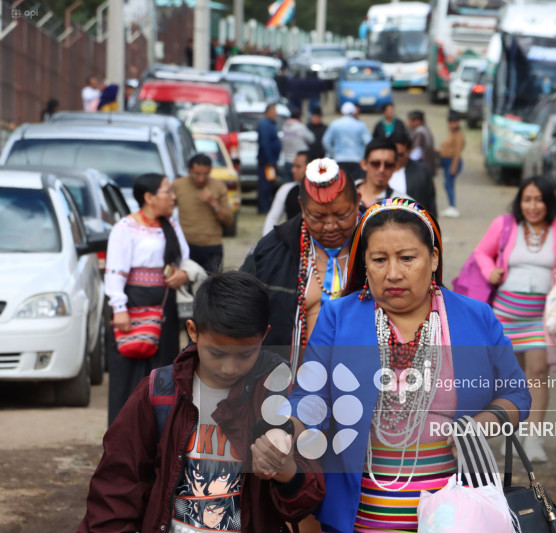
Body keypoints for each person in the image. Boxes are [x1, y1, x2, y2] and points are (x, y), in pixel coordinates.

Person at [253, 198, 531, 532]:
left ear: (434, 258)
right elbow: (312, 397)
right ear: (364, 264)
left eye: (407, 258)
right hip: (361, 521)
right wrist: (284, 433)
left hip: (458, 518)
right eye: (379, 260)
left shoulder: (475, 317)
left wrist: (481, 424)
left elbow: (516, 394)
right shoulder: (338, 318)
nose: (393, 273)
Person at [77, 270, 326, 532]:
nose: (229, 368)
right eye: (216, 353)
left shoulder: (278, 397)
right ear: (193, 331)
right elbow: (116, 488)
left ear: (264, 336)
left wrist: (286, 472)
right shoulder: (159, 392)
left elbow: (309, 498)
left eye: (244, 355)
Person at [473, 175, 556, 462]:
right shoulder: (505, 225)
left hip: (540, 319)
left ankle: (534, 437)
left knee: (538, 373)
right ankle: (511, 433)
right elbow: (481, 253)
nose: (533, 206)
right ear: (519, 202)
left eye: (538, 200)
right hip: (504, 317)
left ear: (549, 202)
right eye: (527, 200)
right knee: (509, 378)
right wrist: (489, 272)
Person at [241, 158, 361, 366]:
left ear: (358, 201)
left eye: (342, 215)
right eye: (317, 217)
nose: (330, 226)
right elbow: (235, 314)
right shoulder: (271, 251)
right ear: (301, 207)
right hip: (289, 380)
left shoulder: (381, 244)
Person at [104, 173, 190, 425]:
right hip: (133, 306)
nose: (173, 197)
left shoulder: (171, 225)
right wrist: (119, 307)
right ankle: (124, 433)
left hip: (164, 308)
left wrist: (183, 274)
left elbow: (183, 260)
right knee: (128, 373)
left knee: (162, 372)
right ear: (149, 197)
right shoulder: (126, 227)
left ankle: (159, 435)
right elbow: (115, 270)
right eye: (167, 191)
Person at [173, 153, 234, 272]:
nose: (201, 179)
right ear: (190, 170)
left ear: (210, 170)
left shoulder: (218, 186)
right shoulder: (178, 185)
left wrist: (213, 203)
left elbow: (228, 221)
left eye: (206, 174)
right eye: (197, 174)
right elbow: (166, 209)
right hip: (186, 246)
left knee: (212, 282)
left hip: (212, 247)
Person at [392, 132, 438, 218]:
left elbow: (430, 201)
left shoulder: (422, 171)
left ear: (409, 151)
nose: (396, 158)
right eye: (394, 154)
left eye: (400, 155)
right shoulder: (382, 170)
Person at [322, 102, 371, 182]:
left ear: (342, 112)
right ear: (354, 112)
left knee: (341, 184)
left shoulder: (335, 124)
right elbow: (368, 142)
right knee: (356, 184)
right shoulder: (360, 125)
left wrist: (333, 153)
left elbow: (325, 141)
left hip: (339, 160)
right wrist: (363, 155)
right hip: (356, 160)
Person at [262, 151, 308, 236]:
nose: (293, 170)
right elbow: (273, 218)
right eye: (293, 166)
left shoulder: (322, 192)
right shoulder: (286, 189)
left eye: (298, 167)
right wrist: (266, 240)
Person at [356, 138, 409, 208]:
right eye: (375, 163)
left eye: (388, 164)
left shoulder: (404, 205)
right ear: (364, 164)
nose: (381, 169)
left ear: (395, 167)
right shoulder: (345, 192)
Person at [438, 112, 466, 218]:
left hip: (453, 161)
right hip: (446, 161)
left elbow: (457, 152)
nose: (451, 124)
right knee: (447, 184)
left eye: (453, 122)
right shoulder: (451, 134)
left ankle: (452, 206)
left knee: (448, 184)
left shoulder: (459, 135)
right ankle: (451, 205)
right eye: (449, 122)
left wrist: (454, 166)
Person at [257, 103, 282, 214]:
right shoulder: (265, 125)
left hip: (271, 160)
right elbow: (265, 144)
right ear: (267, 112)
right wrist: (269, 160)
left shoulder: (271, 124)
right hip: (267, 162)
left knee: (269, 183)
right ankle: (263, 207)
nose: (276, 113)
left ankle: (267, 205)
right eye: (274, 111)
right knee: (265, 185)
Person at [281, 107, 315, 180]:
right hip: (299, 162)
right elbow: (311, 139)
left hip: (287, 160)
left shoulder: (285, 127)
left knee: (288, 184)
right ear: (299, 117)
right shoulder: (300, 127)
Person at [407, 109, 437, 176]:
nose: (410, 123)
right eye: (409, 120)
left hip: (422, 168)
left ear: (419, 121)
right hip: (427, 167)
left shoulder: (420, 132)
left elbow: (415, 154)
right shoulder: (425, 129)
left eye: (413, 120)